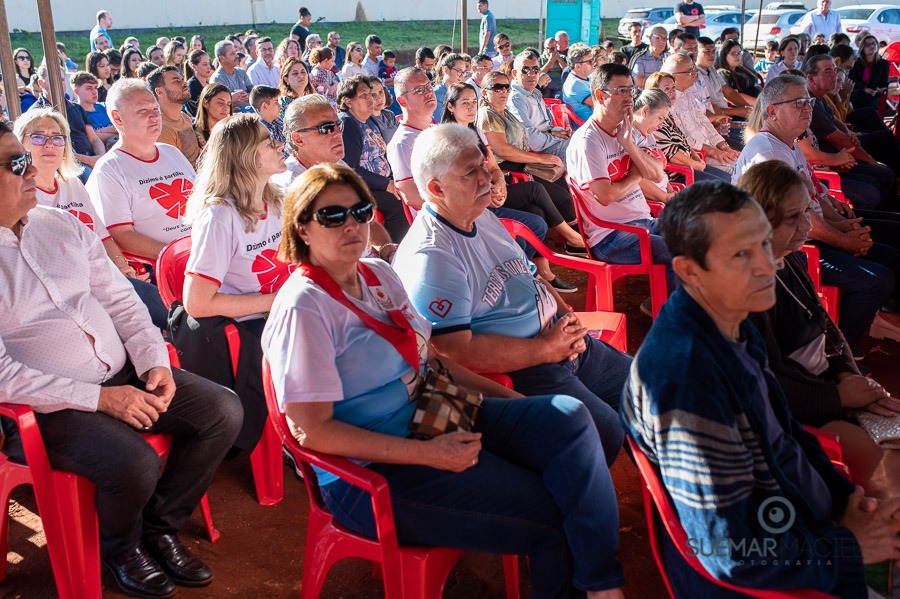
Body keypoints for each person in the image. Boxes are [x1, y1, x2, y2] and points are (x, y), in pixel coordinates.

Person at [263, 160, 625, 599]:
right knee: (551, 512)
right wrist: (428, 455)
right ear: (302, 228)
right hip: (373, 471)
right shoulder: (304, 308)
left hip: (435, 411)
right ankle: (598, 585)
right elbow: (310, 430)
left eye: (360, 211)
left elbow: (433, 358)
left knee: (567, 415)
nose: (352, 225)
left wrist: (513, 407)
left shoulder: (377, 274)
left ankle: (601, 585)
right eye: (332, 216)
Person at [0, 117, 242, 599]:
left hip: (122, 372)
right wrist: (100, 400)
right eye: (13, 162)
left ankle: (159, 527)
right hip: (48, 408)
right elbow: (4, 376)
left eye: (24, 158)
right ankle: (121, 550)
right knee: (134, 463)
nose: (29, 169)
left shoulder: (61, 225)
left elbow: (122, 302)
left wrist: (154, 362)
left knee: (223, 411)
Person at [622, 179, 900, 597]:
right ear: (690, 271)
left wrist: (848, 500)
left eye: (765, 245)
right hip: (780, 571)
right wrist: (848, 546)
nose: (768, 266)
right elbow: (729, 552)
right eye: (741, 254)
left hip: (806, 527)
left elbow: (788, 433)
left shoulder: (733, 323)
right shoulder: (687, 384)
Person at [393, 124, 633, 467]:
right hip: (526, 366)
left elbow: (532, 277)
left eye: (483, 165)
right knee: (603, 432)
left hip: (560, 343)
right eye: (470, 172)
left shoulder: (482, 216)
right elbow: (453, 350)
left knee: (649, 388)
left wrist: (568, 319)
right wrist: (546, 349)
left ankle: (672, 491)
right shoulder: (432, 256)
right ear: (436, 188)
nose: (487, 178)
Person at [739, 160, 891, 491]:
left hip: (826, 388)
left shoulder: (789, 259)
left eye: (807, 212)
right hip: (792, 412)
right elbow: (762, 383)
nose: (806, 225)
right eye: (793, 217)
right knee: (890, 471)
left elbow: (826, 327)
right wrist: (837, 397)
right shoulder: (743, 287)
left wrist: (848, 374)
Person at [739, 74, 900, 348]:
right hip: (787, 249)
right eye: (798, 103)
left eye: (809, 102)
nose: (808, 108)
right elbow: (796, 219)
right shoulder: (768, 153)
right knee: (877, 280)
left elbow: (814, 195)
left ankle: (875, 318)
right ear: (772, 111)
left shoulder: (788, 142)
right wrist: (844, 240)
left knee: (890, 252)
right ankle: (837, 349)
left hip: (809, 232)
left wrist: (844, 226)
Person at [171, 113, 289, 456]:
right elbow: (197, 304)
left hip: (280, 311)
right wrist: (274, 301)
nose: (279, 144)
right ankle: (301, 439)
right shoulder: (220, 216)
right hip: (250, 324)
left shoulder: (276, 198)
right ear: (246, 156)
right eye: (269, 141)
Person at [13, 107, 167, 330]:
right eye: (38, 137)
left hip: (102, 281)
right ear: (20, 144)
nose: (49, 144)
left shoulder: (73, 184)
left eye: (57, 138)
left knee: (165, 309)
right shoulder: (17, 195)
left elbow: (102, 237)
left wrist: (123, 268)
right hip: (65, 293)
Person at [565, 63, 676, 293]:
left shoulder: (626, 130)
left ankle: (663, 303)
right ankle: (672, 314)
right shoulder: (588, 141)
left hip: (642, 223)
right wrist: (635, 176)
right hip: (610, 236)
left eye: (631, 90)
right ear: (600, 95)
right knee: (680, 250)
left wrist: (628, 144)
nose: (629, 98)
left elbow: (656, 173)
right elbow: (606, 196)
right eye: (621, 91)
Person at [86, 79, 195, 262]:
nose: (154, 117)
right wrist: (178, 257)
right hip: (160, 268)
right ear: (118, 118)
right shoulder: (109, 169)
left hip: (200, 256)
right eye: (143, 111)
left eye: (156, 109)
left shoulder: (172, 152)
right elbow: (122, 235)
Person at [805, 55, 898, 212]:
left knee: (884, 170)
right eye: (828, 71)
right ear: (810, 78)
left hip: (838, 159)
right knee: (880, 179)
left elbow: (838, 122)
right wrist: (871, 161)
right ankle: (878, 220)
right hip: (828, 166)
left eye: (834, 70)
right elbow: (838, 140)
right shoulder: (810, 105)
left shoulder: (819, 98)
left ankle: (888, 216)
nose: (834, 75)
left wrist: (850, 135)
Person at [337, 75, 408, 242]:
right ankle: (393, 249)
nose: (371, 98)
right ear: (348, 101)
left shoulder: (368, 120)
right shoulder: (348, 124)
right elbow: (351, 169)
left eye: (370, 94)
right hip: (361, 186)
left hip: (381, 180)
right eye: (364, 95)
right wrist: (387, 184)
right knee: (397, 203)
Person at [643, 72, 731, 183]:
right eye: (667, 88)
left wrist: (696, 157)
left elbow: (684, 141)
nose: (672, 92)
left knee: (730, 177)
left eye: (673, 88)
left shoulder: (668, 115)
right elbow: (671, 153)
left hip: (691, 164)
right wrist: (694, 164)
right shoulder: (654, 118)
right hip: (679, 174)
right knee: (728, 180)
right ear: (654, 92)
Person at [661, 53, 740, 172]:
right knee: (736, 169)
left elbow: (704, 122)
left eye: (694, 69)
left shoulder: (688, 93)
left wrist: (724, 147)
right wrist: (712, 151)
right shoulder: (666, 101)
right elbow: (682, 138)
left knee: (742, 162)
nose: (695, 73)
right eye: (690, 71)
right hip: (696, 156)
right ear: (674, 77)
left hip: (709, 148)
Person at [30, 63, 107, 173]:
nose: (59, 83)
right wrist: (87, 160)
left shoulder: (77, 108)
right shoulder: (37, 113)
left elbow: (94, 138)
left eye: (61, 79)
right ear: (41, 83)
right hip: (67, 165)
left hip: (91, 158)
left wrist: (100, 157)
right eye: (53, 79)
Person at [508, 51, 570, 159]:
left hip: (549, 141)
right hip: (538, 150)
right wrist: (553, 135)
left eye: (535, 70)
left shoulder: (535, 93)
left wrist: (559, 132)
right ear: (514, 74)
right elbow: (530, 139)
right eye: (525, 70)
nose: (531, 74)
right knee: (580, 150)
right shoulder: (516, 98)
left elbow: (545, 126)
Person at [630, 89, 678, 202]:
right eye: (660, 118)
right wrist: (665, 197)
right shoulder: (628, 137)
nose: (661, 126)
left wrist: (670, 190)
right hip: (651, 202)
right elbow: (637, 179)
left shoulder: (648, 133)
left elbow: (660, 170)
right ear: (645, 111)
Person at [149, 66, 200, 168]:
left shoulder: (185, 117)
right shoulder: (161, 129)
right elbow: (170, 170)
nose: (184, 83)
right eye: (176, 81)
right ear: (159, 92)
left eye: (182, 79)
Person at [70, 71, 117, 147]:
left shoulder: (104, 106)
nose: (95, 92)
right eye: (89, 88)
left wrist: (100, 131)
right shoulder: (76, 113)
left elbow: (120, 127)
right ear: (76, 92)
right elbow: (89, 138)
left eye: (95, 88)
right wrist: (115, 135)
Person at [848, 35, 889, 113]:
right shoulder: (856, 62)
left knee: (869, 102)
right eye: (867, 45)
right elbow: (852, 79)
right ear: (862, 48)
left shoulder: (884, 63)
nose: (871, 46)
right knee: (861, 96)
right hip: (858, 92)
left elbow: (884, 83)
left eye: (873, 43)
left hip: (873, 94)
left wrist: (879, 90)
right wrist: (865, 89)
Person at [715, 39, 761, 106]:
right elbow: (734, 97)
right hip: (747, 107)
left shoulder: (740, 69)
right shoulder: (722, 74)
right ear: (724, 55)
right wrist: (759, 104)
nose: (738, 56)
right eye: (734, 53)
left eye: (739, 52)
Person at [209, 41, 252, 110]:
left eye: (236, 53)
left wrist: (247, 96)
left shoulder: (241, 72)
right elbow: (218, 103)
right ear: (222, 58)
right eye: (232, 54)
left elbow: (253, 92)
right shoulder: (217, 79)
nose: (237, 56)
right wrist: (230, 98)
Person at [562, 46, 595, 124]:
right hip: (587, 125)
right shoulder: (575, 84)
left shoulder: (588, 77)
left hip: (595, 121)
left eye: (593, 59)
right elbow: (599, 103)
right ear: (578, 66)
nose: (593, 63)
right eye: (589, 61)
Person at [432, 53, 466, 123]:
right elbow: (440, 121)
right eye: (459, 71)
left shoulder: (461, 92)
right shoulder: (436, 95)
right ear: (446, 69)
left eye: (463, 72)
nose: (462, 76)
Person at [278, 57, 314, 121]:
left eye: (303, 72)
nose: (301, 76)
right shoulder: (284, 102)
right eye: (295, 73)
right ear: (286, 79)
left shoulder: (309, 100)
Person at [369, 78, 398, 144]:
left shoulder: (389, 114)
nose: (379, 98)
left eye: (381, 92)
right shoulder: (366, 121)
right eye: (373, 95)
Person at [184, 50, 212, 116]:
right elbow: (197, 111)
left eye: (209, 63)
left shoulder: (208, 84)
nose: (209, 67)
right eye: (205, 64)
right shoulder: (192, 85)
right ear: (194, 66)